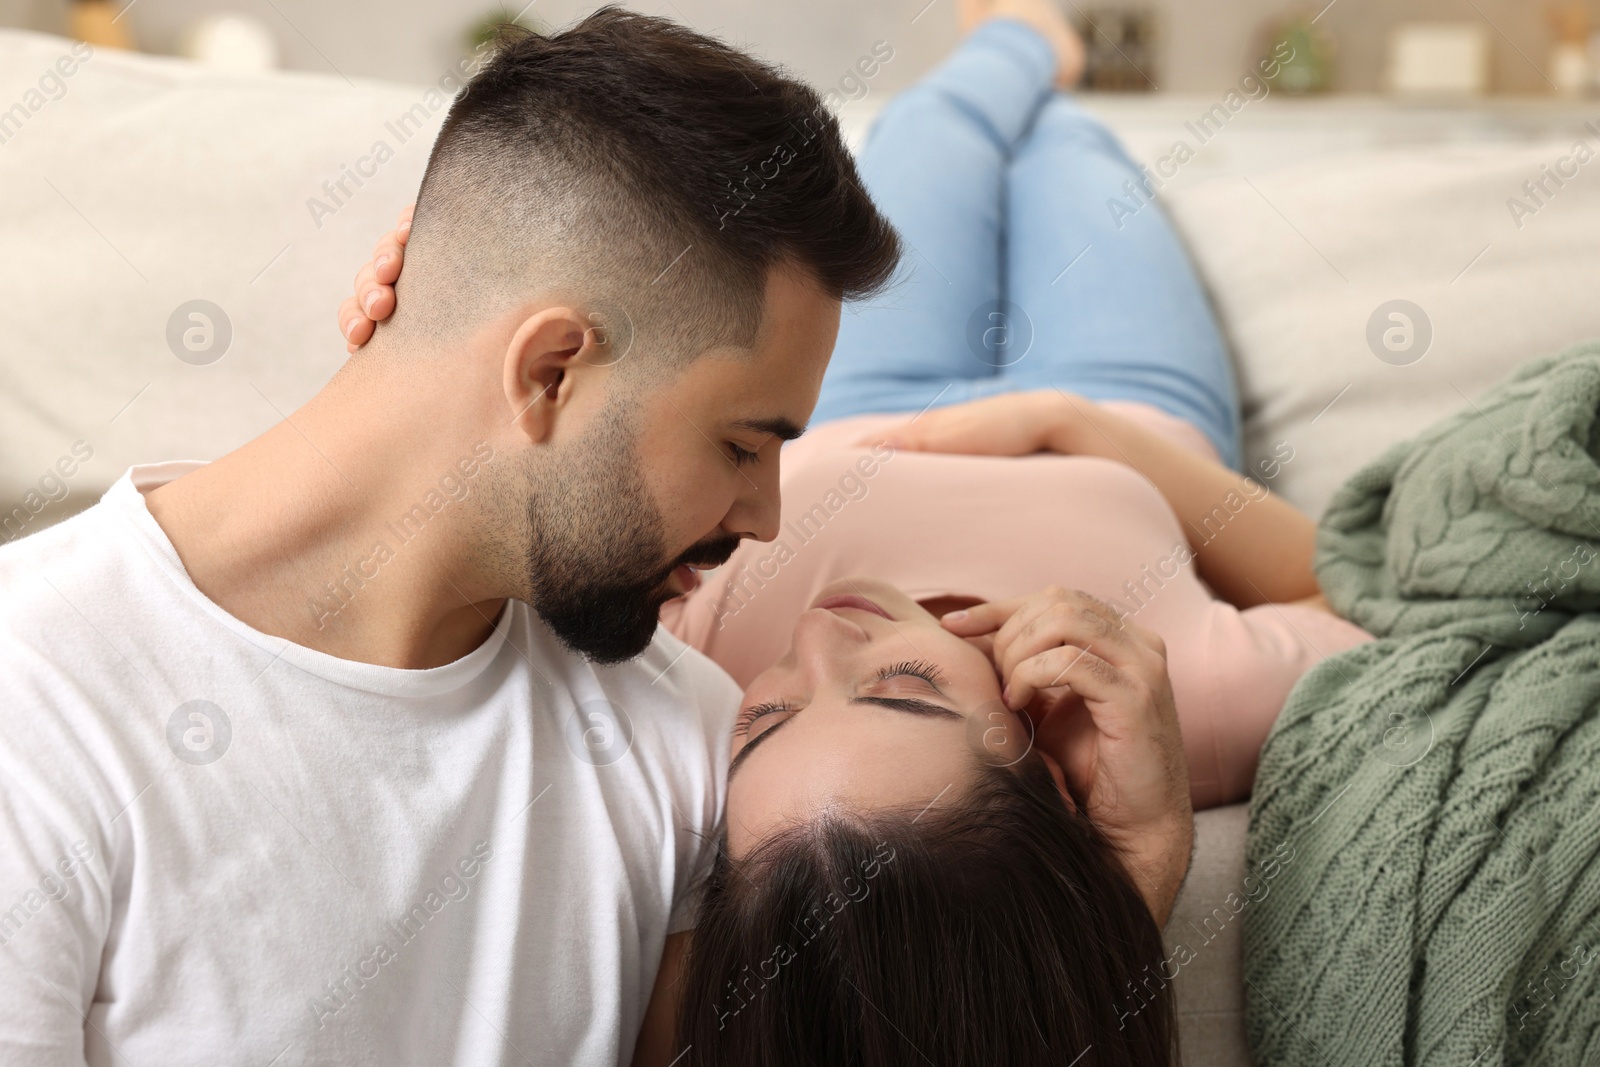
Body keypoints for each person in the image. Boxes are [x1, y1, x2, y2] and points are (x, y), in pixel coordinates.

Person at [344, 1, 1375, 1062]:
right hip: (1126, 412)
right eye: (902, 686)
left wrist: (434, 333)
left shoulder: (655, 665)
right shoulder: (1169, 699)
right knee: (1074, 154)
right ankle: (1048, 49)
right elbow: (1340, 589)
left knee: (937, 132)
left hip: (820, 397)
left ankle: (1014, 36)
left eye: (766, 720)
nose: (823, 643)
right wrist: (1075, 426)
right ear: (1037, 766)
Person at [0, 9, 900, 1067]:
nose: (765, 517)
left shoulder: (685, 740)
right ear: (550, 370)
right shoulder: (40, 708)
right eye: (743, 446)